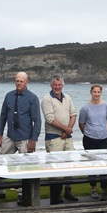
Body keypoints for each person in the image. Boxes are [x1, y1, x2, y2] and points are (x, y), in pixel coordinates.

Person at [0, 72, 41, 204]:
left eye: (21, 81)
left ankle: (23, 193)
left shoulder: (32, 98)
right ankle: (0, 189)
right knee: (1, 162)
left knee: (24, 167)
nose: (19, 83)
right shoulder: (9, 96)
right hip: (10, 136)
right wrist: (0, 135)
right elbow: (3, 116)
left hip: (25, 138)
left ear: (26, 82)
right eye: (17, 81)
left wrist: (33, 140)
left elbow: (37, 121)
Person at [41, 75, 78, 203]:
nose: (57, 87)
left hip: (67, 138)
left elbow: (73, 114)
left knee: (69, 166)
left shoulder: (67, 97)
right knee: (55, 169)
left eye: (59, 85)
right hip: (54, 138)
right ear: (51, 85)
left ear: (63, 85)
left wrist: (67, 130)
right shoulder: (47, 99)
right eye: (55, 85)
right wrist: (66, 129)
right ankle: (55, 197)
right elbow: (49, 119)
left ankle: (68, 192)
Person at [78, 84, 107, 201]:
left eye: (98, 92)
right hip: (89, 139)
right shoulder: (85, 108)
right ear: (91, 92)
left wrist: (101, 131)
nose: (96, 94)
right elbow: (81, 124)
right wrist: (90, 133)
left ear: (101, 93)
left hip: (104, 139)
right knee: (91, 164)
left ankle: (104, 190)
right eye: (94, 92)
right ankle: (93, 189)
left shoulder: (106, 106)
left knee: (103, 165)